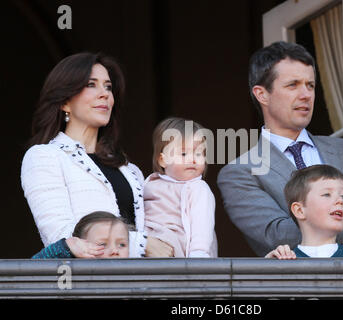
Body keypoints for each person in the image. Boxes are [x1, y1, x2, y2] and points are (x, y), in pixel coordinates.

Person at [217, 41, 343, 257]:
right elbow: (278, 234)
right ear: (262, 94)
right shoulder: (239, 173)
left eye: (310, 85)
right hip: (304, 287)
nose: (306, 94)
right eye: (293, 85)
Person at [21, 52, 173, 258]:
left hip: (136, 283)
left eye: (108, 87)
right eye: (91, 84)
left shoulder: (128, 169)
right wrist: (142, 243)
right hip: (86, 285)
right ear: (64, 101)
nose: (104, 94)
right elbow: (62, 238)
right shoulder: (44, 157)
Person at [143, 117, 218, 257]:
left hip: (180, 252)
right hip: (147, 245)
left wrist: (199, 253)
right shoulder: (149, 183)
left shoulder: (198, 188)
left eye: (199, 153)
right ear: (163, 160)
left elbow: (202, 224)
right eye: (183, 153)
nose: (193, 159)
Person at [32, 211, 130, 259]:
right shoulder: (69, 278)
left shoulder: (134, 277)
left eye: (122, 245)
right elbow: (30, 272)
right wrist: (65, 247)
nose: (115, 251)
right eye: (102, 244)